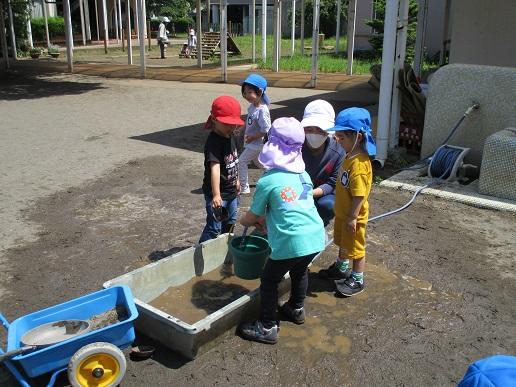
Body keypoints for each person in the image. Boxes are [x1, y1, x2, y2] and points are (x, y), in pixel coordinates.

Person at [239, 117, 325, 344]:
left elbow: (251, 218)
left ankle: (267, 327)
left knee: (268, 280)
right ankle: (296, 308)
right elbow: (292, 208)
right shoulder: (303, 175)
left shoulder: (268, 180)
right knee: (300, 271)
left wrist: (243, 221)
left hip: (290, 241)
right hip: (315, 237)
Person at [319, 107, 376, 297]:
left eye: (342, 137)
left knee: (356, 248)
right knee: (343, 242)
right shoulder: (350, 155)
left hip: (354, 216)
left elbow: (359, 195)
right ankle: (342, 267)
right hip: (344, 213)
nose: (337, 140)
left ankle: (358, 277)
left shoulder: (359, 164)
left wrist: (353, 216)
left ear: (358, 137)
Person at [198, 96, 244, 243]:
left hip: (231, 192)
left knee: (230, 223)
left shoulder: (233, 136)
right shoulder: (213, 142)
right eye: (227, 124)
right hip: (217, 195)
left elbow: (234, 161)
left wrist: (237, 180)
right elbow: (215, 168)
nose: (231, 128)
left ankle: (224, 251)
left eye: (233, 124)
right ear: (214, 120)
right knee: (214, 228)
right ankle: (200, 252)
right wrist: (216, 195)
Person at [300, 99, 345, 226]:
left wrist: (311, 194)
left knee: (328, 206)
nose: (314, 134)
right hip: (295, 191)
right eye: (309, 129)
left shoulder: (338, 151)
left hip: (322, 195)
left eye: (320, 130)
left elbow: (333, 182)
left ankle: (321, 223)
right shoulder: (295, 145)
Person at [238, 74, 271, 195]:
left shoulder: (262, 110)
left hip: (257, 143)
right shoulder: (252, 107)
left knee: (242, 161)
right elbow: (249, 121)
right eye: (245, 93)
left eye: (250, 92)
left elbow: (266, 129)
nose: (247, 96)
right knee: (258, 162)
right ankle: (271, 174)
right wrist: (241, 129)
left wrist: (252, 137)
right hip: (252, 142)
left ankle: (244, 187)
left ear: (260, 92)